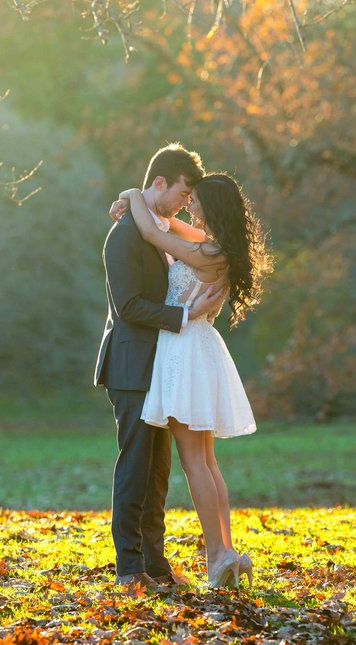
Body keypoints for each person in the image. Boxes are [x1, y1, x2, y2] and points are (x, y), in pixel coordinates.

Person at [112, 173, 271, 589]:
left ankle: (218, 556)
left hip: (182, 350)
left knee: (194, 462)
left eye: (195, 201)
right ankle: (226, 551)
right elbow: (168, 225)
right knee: (207, 461)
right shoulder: (216, 246)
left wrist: (131, 194)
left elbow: (151, 230)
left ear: (212, 207)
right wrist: (150, 208)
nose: (189, 208)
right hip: (197, 346)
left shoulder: (205, 251)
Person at [94, 144, 225, 591]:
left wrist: (132, 194)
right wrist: (185, 317)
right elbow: (128, 306)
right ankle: (129, 569)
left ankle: (155, 563)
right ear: (160, 183)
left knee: (159, 469)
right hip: (131, 364)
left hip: (163, 366)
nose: (186, 205)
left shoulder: (159, 228)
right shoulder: (125, 235)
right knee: (135, 466)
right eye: (183, 194)